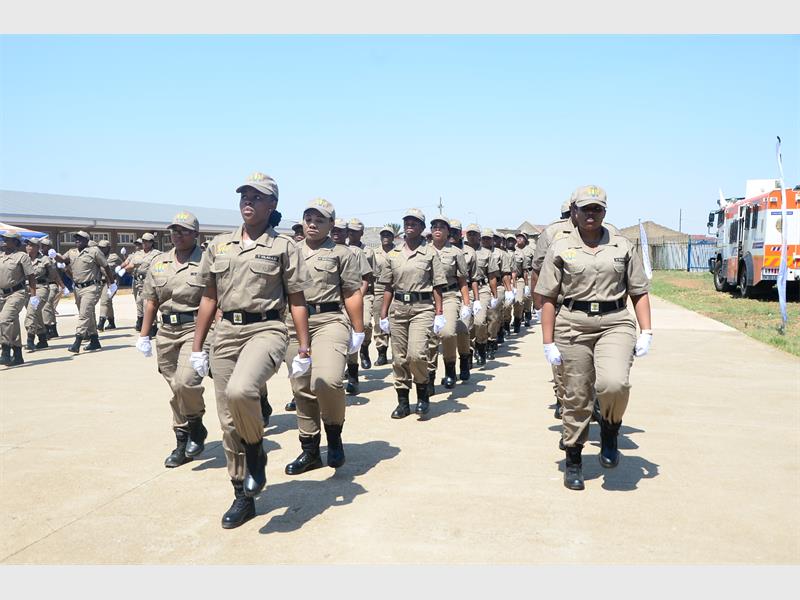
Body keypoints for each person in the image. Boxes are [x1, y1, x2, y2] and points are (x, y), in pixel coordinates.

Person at [191, 171, 311, 529]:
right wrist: (198, 347)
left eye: (257, 197)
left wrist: (304, 348)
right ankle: (242, 495)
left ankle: (256, 451)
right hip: (226, 332)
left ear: (272, 204)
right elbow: (209, 297)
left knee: (242, 390)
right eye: (245, 195)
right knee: (229, 421)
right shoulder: (219, 245)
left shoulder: (284, 246)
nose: (248, 201)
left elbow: (297, 299)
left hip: (267, 328)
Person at [535, 185, 653, 491]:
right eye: (585, 208)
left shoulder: (622, 245)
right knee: (575, 395)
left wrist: (646, 331)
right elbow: (548, 296)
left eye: (597, 209)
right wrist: (547, 342)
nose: (591, 214)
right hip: (572, 324)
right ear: (574, 212)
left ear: (605, 212)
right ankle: (574, 457)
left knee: (614, 383)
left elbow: (638, 291)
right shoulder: (559, 247)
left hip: (615, 322)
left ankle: (610, 429)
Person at [283, 198, 364, 475]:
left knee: (327, 380)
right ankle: (310, 450)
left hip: (329, 320)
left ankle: (334, 435)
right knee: (301, 386)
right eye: (308, 219)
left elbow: (351, 292)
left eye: (319, 220)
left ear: (331, 224)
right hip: (294, 323)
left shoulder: (341, 253)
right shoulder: (289, 251)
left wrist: (358, 329)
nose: (312, 224)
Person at [137, 211, 210, 468]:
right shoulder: (160, 262)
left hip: (195, 328)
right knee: (176, 388)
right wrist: (144, 335)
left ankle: (196, 425)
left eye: (184, 231)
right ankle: (182, 441)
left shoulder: (206, 260)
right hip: (166, 331)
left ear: (196, 234)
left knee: (185, 382)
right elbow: (151, 300)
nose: (178, 235)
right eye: (174, 230)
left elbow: (215, 299)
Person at [378, 209, 446, 418]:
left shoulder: (430, 253)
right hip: (398, 308)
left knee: (416, 354)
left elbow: (437, 285)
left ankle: (423, 394)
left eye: (414, 222)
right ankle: (403, 402)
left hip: (422, 308)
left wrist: (439, 313)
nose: (410, 225)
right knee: (399, 358)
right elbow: (388, 286)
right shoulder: (393, 254)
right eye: (407, 221)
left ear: (422, 228)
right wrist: (383, 315)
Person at [426, 216, 472, 391]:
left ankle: (450, 368)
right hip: (427, 298)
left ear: (448, 232)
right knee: (430, 338)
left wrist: (466, 303)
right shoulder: (424, 251)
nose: (437, 230)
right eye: (434, 227)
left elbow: (462, 280)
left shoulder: (456, 252)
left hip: (449, 296)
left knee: (447, 333)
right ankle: (429, 376)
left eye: (442, 227)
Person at [61, 231, 117, 354]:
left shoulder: (94, 251)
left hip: (91, 287)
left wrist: (112, 283)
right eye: (76, 238)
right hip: (77, 288)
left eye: (80, 238)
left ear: (86, 240)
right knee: (89, 313)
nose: (77, 240)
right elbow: (63, 259)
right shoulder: (72, 252)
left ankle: (77, 341)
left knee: (84, 314)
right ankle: (94, 339)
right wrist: (54, 255)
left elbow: (106, 266)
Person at [448, 218, 478, 380]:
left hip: (464, 293)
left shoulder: (469, 252)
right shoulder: (435, 249)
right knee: (445, 334)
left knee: (462, 329)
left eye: (455, 231)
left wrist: (473, 301)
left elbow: (473, 278)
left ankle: (464, 359)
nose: (452, 234)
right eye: (450, 231)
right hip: (441, 295)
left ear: (460, 233)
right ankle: (448, 369)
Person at [0, 233, 36, 366]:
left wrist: (33, 296)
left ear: (15, 242)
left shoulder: (22, 256)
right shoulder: (0, 256)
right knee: (12, 323)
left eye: (7, 240)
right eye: (3, 239)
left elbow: (31, 276)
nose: (4, 241)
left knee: (4, 320)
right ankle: (18, 355)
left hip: (17, 293)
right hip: (2, 295)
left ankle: (5, 351)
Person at [465, 224, 498, 365]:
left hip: (482, 289)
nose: (472, 236)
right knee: (465, 324)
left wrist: (495, 295)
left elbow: (492, 276)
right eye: (470, 234)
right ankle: (468, 351)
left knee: (480, 321)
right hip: (466, 290)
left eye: (474, 234)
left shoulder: (486, 253)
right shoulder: (461, 251)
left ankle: (481, 345)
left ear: (479, 236)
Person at [346, 218, 375, 371]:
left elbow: (371, 275)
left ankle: (364, 347)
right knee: (347, 330)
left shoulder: (368, 251)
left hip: (365, 293)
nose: (352, 234)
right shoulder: (342, 249)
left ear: (361, 233)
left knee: (365, 324)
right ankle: (351, 368)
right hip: (347, 295)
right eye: (350, 231)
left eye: (355, 231)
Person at [121, 234, 161, 333]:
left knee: (148, 303)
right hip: (139, 282)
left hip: (150, 281)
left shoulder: (157, 254)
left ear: (152, 242)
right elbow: (131, 265)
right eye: (143, 241)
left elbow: (160, 268)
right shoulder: (138, 254)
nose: (144, 243)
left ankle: (152, 326)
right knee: (139, 302)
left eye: (147, 241)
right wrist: (122, 270)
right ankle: (141, 322)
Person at [22, 238, 53, 351]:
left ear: (37, 247)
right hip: (26, 288)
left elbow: (52, 275)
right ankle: (42, 339)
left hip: (41, 288)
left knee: (32, 311)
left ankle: (30, 339)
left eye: (31, 245)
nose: (28, 247)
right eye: (27, 245)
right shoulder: (23, 258)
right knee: (36, 314)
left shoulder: (44, 259)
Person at [372, 226, 396, 366]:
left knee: (396, 320)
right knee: (379, 320)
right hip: (379, 288)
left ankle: (397, 352)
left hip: (395, 287)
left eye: (388, 234)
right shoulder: (374, 253)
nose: (385, 237)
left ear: (393, 237)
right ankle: (381, 352)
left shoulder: (399, 252)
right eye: (383, 234)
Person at [487, 232, 512, 350]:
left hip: (498, 285)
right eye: (484, 238)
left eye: (493, 238)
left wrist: (509, 290)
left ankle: (492, 340)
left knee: (494, 314)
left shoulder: (501, 254)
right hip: (482, 285)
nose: (488, 240)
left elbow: (505, 273)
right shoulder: (474, 252)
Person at [39, 237, 66, 339]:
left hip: (52, 284)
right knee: (49, 307)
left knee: (46, 306)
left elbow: (61, 270)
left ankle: (47, 329)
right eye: (42, 246)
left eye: (45, 246)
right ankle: (53, 329)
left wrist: (63, 286)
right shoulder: (40, 256)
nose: (43, 248)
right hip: (42, 285)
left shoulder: (55, 256)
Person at [97, 240, 121, 331]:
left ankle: (101, 322)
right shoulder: (97, 256)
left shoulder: (114, 257)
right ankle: (111, 322)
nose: (101, 249)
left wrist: (118, 270)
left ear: (108, 248)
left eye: (103, 248)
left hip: (112, 281)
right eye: (99, 247)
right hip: (101, 281)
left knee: (105, 301)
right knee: (108, 302)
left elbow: (122, 264)